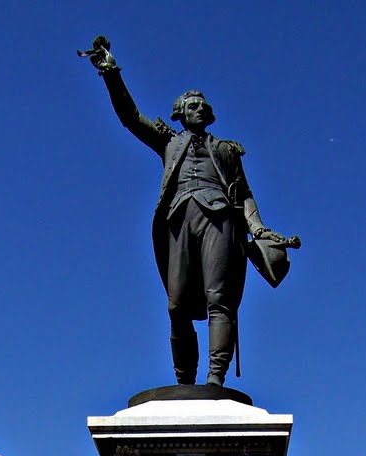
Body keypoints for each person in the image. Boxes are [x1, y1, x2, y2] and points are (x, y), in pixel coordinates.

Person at [80, 37, 293, 387]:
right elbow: (130, 118)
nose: (198, 108)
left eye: (202, 104)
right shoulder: (169, 142)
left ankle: (214, 379)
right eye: (191, 104)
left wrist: (258, 228)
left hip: (220, 219)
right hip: (179, 217)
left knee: (219, 300)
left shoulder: (226, 150)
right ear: (180, 112)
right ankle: (184, 382)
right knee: (176, 304)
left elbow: (246, 194)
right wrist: (110, 73)